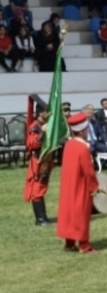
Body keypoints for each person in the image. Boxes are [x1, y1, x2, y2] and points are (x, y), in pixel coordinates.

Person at [56, 113, 101, 254]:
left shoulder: (69, 145)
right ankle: (84, 245)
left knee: (70, 213)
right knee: (81, 214)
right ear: (82, 130)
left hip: (69, 184)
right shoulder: (83, 148)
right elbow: (88, 171)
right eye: (86, 129)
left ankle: (69, 243)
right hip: (80, 185)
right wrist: (94, 186)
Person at [23, 95, 54, 226]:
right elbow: (32, 144)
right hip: (38, 162)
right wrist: (43, 132)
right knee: (37, 188)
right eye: (46, 111)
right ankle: (40, 219)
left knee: (42, 188)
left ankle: (43, 217)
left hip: (46, 160)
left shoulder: (45, 124)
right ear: (41, 112)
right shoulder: (35, 126)